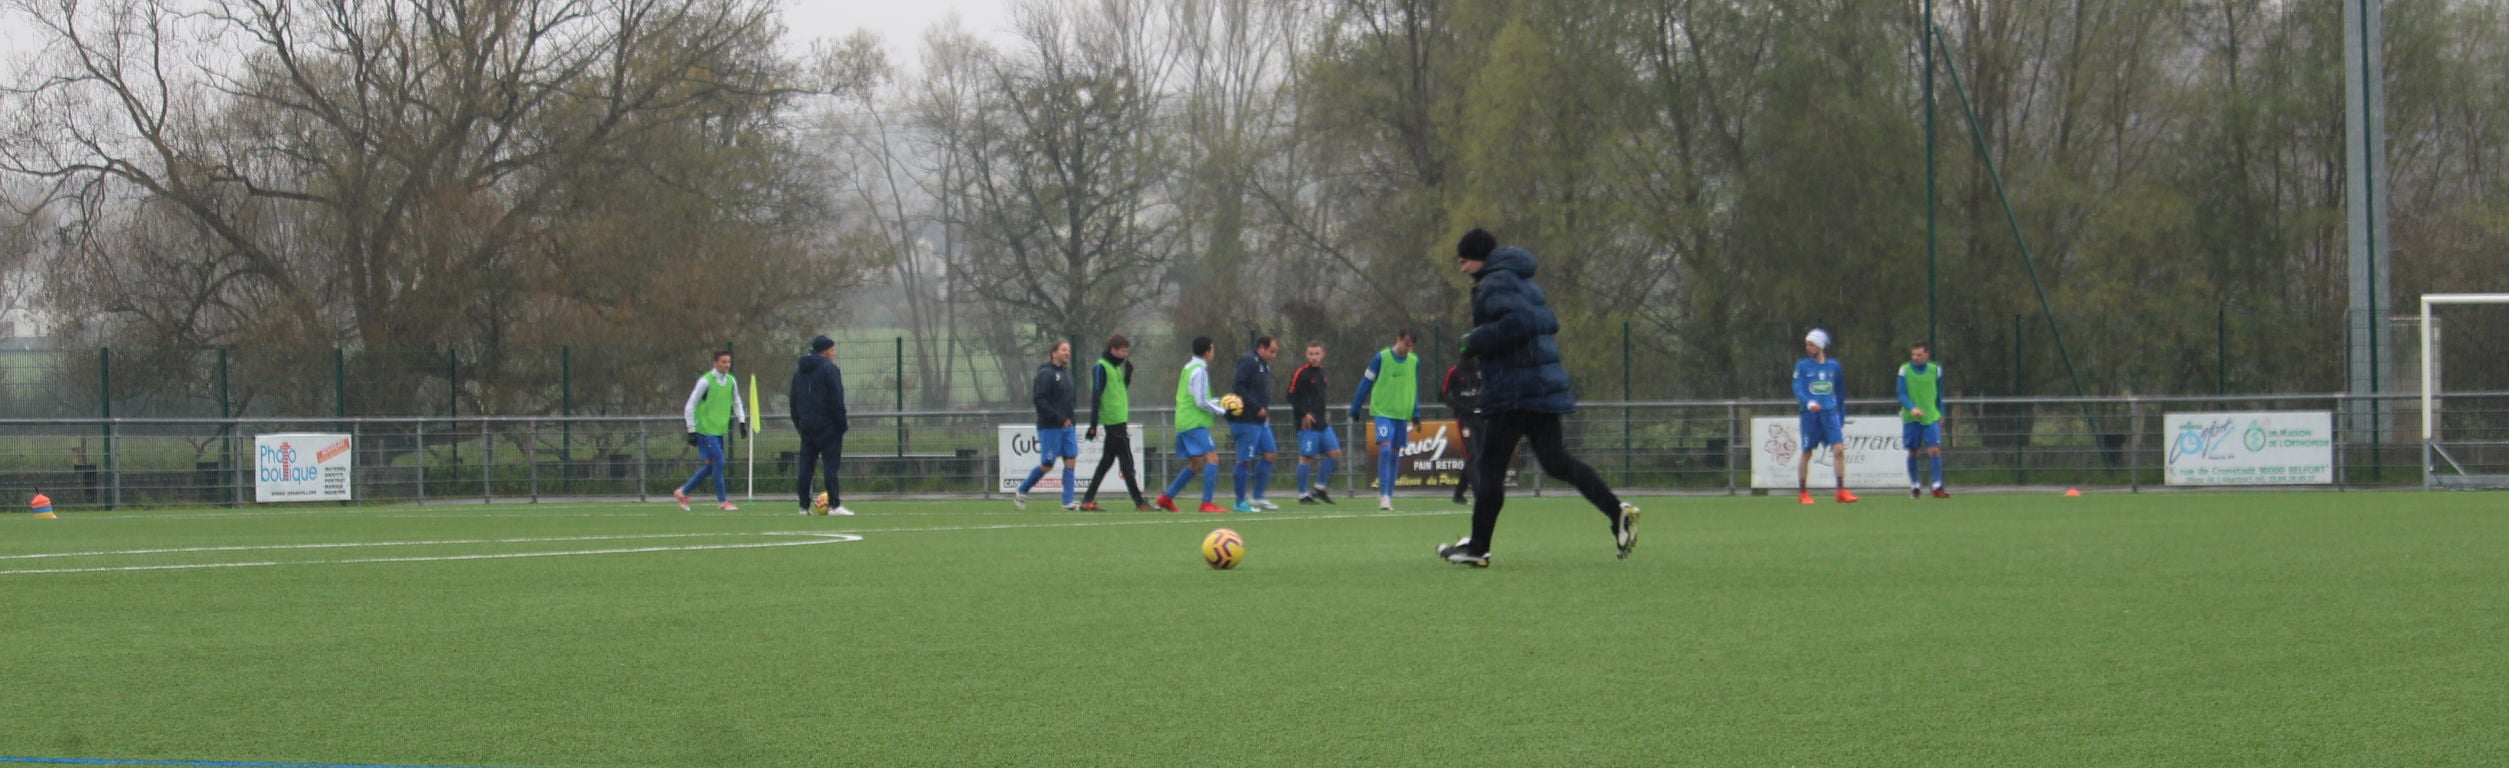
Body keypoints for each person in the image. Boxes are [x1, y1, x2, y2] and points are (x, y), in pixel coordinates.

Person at [1437, 229, 1639, 567]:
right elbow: (1543, 320)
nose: (1461, 269)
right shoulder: (1524, 281)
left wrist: (1474, 341)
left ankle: (1478, 547)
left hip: (1515, 389)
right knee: (1555, 459)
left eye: (1463, 261)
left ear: (1477, 258)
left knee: (1489, 467)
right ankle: (1616, 511)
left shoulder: (1494, 282)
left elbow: (1519, 323)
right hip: (1541, 386)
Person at [1155, 337, 1232, 514]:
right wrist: (1222, 411)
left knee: (1196, 464)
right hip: (1194, 422)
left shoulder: (1188, 367)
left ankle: (1166, 498)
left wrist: (1220, 401)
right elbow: (1200, 401)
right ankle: (1207, 503)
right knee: (1213, 459)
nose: (1213, 352)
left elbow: (1196, 397)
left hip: (1183, 421)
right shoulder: (1200, 371)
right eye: (1212, 349)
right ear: (1207, 352)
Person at [1348, 330, 1422, 511]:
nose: (1408, 348)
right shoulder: (1381, 358)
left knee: (1395, 454)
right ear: (1398, 339)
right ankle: (1384, 497)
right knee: (1386, 450)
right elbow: (1366, 382)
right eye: (1406, 343)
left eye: (1411, 345)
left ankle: (1389, 494)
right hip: (1383, 412)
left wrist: (1416, 413)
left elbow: (1414, 388)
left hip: (1402, 414)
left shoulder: (1414, 361)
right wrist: (1355, 407)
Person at [673, 350, 749, 512]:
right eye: (723, 362)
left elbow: (737, 402)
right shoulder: (705, 381)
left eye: (729, 362)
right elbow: (691, 404)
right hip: (705, 430)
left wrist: (742, 421)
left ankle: (682, 492)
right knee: (720, 461)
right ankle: (722, 501)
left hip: (718, 430)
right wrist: (691, 430)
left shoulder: (731, 381)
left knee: (711, 466)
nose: (727, 365)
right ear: (715, 363)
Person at [1081, 334, 1148, 511]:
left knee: (1106, 462)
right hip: (1113, 420)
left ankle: (1087, 500)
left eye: (1127, 351)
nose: (1125, 354)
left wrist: (1128, 376)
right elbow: (1096, 395)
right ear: (1113, 350)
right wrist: (1093, 424)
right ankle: (1140, 502)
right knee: (1126, 461)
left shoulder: (1116, 368)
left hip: (1119, 418)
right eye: (1123, 351)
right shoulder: (1101, 367)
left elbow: (1118, 391)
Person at [790, 335, 854, 516]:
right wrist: (842, 425)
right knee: (830, 466)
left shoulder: (799, 372)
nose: (834, 353)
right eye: (833, 349)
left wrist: (799, 423)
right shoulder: (830, 369)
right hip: (828, 426)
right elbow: (836, 399)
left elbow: (793, 401)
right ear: (825, 351)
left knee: (806, 467)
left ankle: (803, 507)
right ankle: (834, 505)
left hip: (806, 426)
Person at [1794, 328, 1859, 505]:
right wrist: (1808, 403)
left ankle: (1841, 490)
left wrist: (1841, 414)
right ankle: (1803, 492)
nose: (1808, 348)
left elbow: (1839, 392)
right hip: (1810, 415)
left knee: (1839, 449)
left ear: (1820, 346)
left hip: (1830, 414)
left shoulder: (1834, 366)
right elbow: (1797, 387)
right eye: (1807, 344)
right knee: (1807, 451)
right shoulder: (1802, 366)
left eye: (1811, 344)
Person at [1015, 340, 1080, 511]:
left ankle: (1067, 501)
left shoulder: (1068, 374)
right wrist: (1058, 418)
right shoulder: (1045, 374)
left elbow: (1070, 401)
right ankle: (1022, 490)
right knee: (1047, 464)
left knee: (1071, 459)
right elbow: (1039, 400)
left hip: (1068, 427)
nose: (1068, 353)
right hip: (1050, 427)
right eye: (1064, 350)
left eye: (1069, 350)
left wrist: (1071, 420)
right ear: (1054, 353)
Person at [1228, 336, 1282, 512]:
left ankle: (1258, 497)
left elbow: (1259, 390)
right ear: (1261, 348)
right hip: (1246, 420)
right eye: (1271, 351)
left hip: (1260, 420)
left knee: (1270, 453)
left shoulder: (1263, 364)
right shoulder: (1248, 361)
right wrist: (1256, 407)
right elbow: (1239, 387)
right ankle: (1239, 502)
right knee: (1244, 460)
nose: (1274, 355)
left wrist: (1264, 411)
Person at [1287, 341, 1340, 505]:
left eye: (1317, 354)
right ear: (1306, 354)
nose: (1314, 357)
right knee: (1306, 457)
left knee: (1335, 454)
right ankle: (1303, 495)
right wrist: (1304, 414)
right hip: (1307, 424)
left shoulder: (1322, 373)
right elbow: (1291, 396)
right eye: (1311, 354)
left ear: (1322, 354)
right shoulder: (1301, 373)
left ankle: (1319, 487)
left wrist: (1324, 414)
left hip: (1322, 423)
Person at [1899, 341, 1949, 499]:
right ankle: (1915, 486)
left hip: (1930, 416)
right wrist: (1911, 407)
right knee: (1913, 451)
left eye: (1919, 355)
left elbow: (1939, 393)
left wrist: (1941, 412)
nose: (1916, 358)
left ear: (1926, 355)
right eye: (1913, 355)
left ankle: (1937, 485)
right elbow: (1901, 393)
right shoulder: (1904, 370)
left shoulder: (1935, 369)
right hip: (1911, 417)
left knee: (1934, 449)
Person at [1438, 359, 1485, 506]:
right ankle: (1480, 496)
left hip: (1481, 418)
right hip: (1464, 420)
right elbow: (1442, 395)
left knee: (1480, 457)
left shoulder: (1483, 369)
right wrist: (1459, 407)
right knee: (1471, 455)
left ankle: (1459, 494)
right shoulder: (1455, 372)